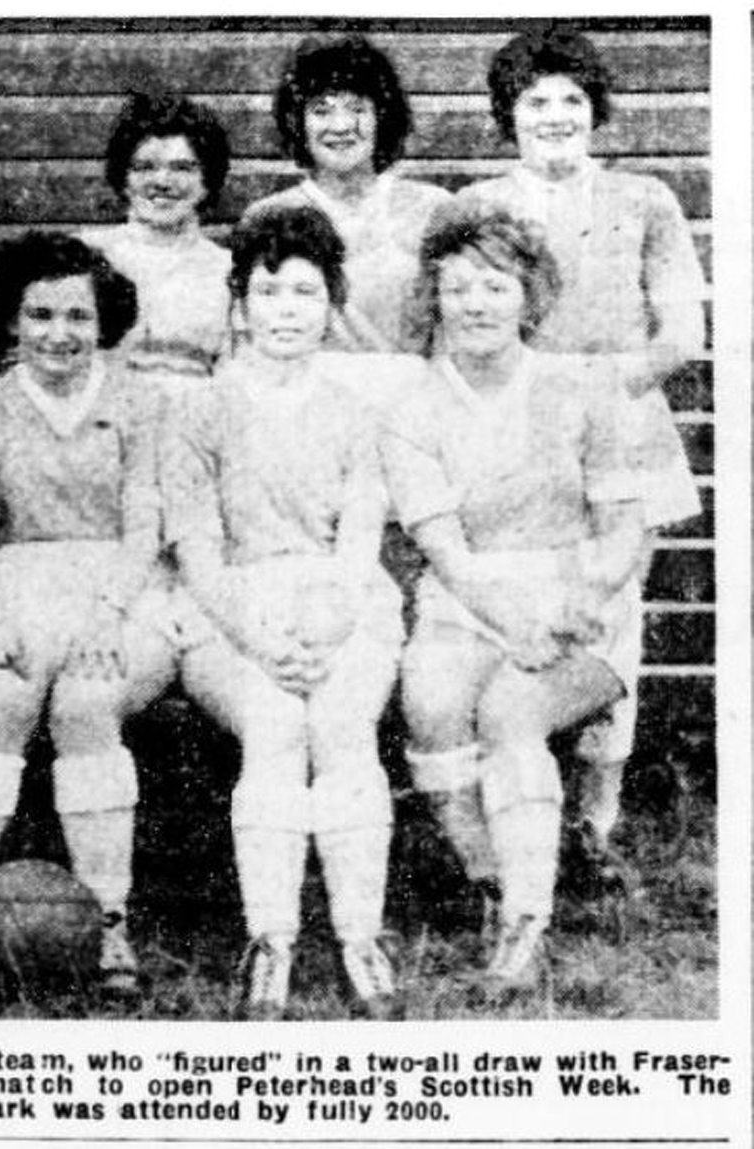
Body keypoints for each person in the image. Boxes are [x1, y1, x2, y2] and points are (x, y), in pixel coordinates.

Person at [456, 26, 705, 884]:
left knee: (608, 618)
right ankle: (505, 811)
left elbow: (682, 332)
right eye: (535, 102)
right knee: (507, 611)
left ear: (594, 111)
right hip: (513, 437)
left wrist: (598, 391)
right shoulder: (476, 204)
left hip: (623, 427)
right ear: (508, 117)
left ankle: (598, 819)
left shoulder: (646, 199)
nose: (555, 116)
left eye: (570, 100)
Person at [383, 205, 645, 994]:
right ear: (433, 297)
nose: (476, 303)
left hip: (579, 601)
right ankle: (493, 880)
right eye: (457, 287)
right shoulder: (412, 408)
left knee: (509, 714)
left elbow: (625, 527)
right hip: (472, 600)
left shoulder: (582, 388)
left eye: (495, 286)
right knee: (430, 701)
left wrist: (583, 598)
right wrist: (514, 622)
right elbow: (449, 555)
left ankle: (528, 925)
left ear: (528, 295)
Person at [0, 232, 177, 997]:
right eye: (40, 314)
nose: (59, 333)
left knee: (89, 703)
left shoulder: (141, 401)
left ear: (105, 321)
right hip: (13, 579)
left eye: (78, 316)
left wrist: (109, 614)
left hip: (125, 586)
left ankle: (110, 920)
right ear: (12, 320)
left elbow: (143, 529)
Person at [163, 207, 403, 1019]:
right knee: (275, 727)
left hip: (341, 602)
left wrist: (333, 621)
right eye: (269, 290)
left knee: (339, 726)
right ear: (239, 305)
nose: (287, 309)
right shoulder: (198, 409)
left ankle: (359, 935)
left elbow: (361, 534)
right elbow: (197, 554)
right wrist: (262, 641)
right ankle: (272, 938)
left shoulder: (356, 408)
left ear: (331, 304)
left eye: (306, 291)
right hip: (230, 609)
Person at [241, 35, 450, 352]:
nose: (341, 125)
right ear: (298, 122)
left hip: (411, 393)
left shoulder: (432, 208)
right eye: (321, 111)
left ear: (381, 117)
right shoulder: (268, 215)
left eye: (357, 109)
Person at [80, 91, 232, 393]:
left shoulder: (227, 270)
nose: (162, 181)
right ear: (123, 178)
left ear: (207, 181)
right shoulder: (86, 256)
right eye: (145, 167)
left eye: (182, 168)